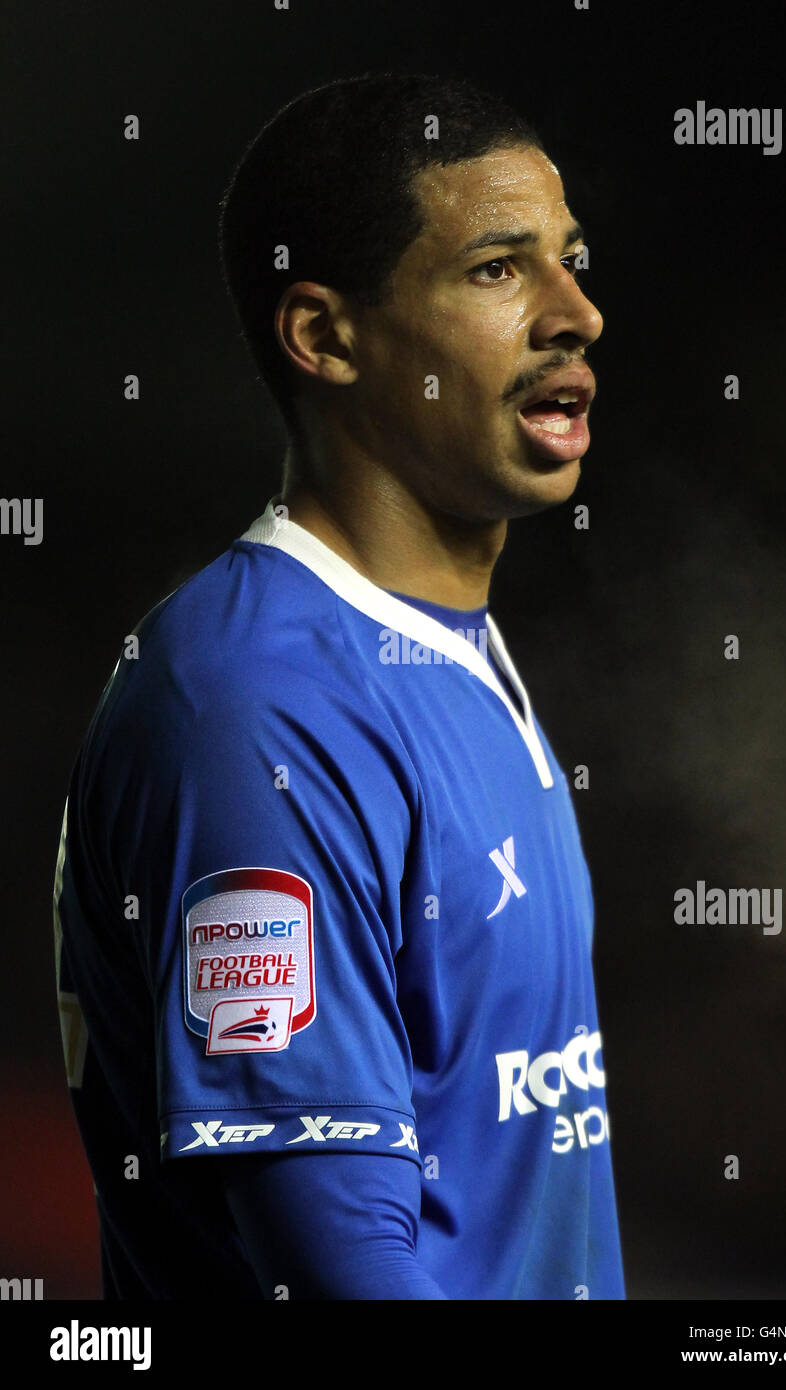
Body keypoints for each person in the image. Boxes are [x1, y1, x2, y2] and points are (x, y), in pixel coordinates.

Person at [52, 72, 625, 1300]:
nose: (574, 312)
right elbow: (340, 1266)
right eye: (495, 268)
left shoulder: (448, 648)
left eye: (570, 261)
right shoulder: (253, 708)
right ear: (323, 336)